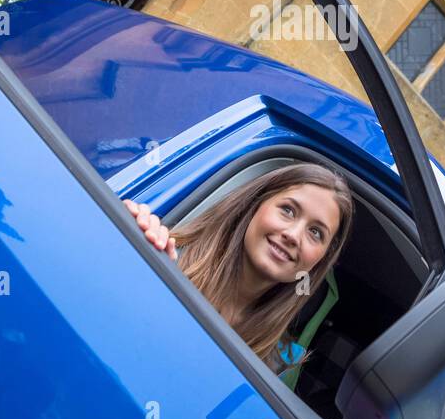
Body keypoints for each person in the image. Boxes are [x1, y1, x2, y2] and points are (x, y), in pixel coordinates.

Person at [122, 162, 353, 380]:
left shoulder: (279, 363)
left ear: (322, 259)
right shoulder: (165, 256)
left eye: (315, 233)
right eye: (288, 211)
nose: (293, 235)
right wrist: (125, 240)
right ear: (257, 204)